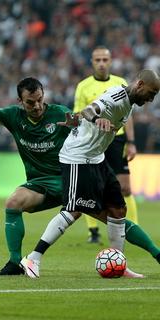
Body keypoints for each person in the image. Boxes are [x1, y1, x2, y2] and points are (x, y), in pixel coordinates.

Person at [21, 69, 160, 279]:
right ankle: (33, 257)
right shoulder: (116, 96)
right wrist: (97, 120)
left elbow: (82, 117)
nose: (151, 99)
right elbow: (89, 110)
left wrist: (77, 122)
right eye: (151, 93)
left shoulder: (129, 103)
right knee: (74, 210)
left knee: (117, 209)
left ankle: (118, 265)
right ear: (140, 84)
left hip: (96, 158)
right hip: (77, 157)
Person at [0, 71, 74, 275]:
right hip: (39, 184)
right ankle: (15, 263)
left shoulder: (60, 114)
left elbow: (84, 130)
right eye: (30, 102)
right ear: (20, 101)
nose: (37, 106)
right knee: (13, 203)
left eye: (40, 100)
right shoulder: (14, 116)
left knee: (113, 214)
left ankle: (154, 254)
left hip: (68, 181)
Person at [74, 46, 138, 243]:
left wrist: (131, 142)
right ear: (92, 62)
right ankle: (93, 231)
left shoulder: (121, 83)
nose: (101, 63)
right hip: (93, 140)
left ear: (110, 61)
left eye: (105, 59)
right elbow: (78, 114)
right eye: (97, 60)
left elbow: (128, 117)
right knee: (93, 187)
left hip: (117, 140)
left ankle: (132, 228)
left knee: (125, 188)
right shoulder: (83, 86)